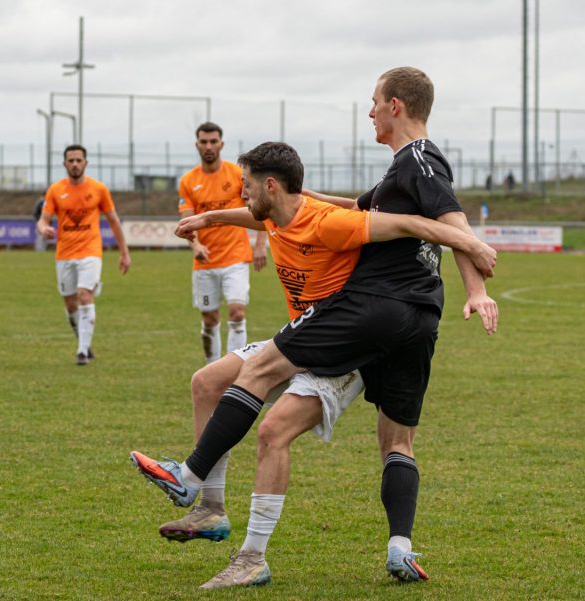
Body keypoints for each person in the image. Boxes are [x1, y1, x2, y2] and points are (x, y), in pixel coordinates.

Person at [132, 67, 498, 587]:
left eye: (373, 101)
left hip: (367, 312)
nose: (368, 110)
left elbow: (448, 223)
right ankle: (398, 547)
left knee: (267, 402)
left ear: (395, 105)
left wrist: (478, 286)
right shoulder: (385, 180)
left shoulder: (417, 157)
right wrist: (215, 218)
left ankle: (196, 487)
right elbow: (345, 208)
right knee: (393, 438)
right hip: (416, 317)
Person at [178, 122, 267, 364]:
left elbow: (260, 208)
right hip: (205, 263)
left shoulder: (236, 176)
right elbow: (187, 221)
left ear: (221, 144)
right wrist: (195, 246)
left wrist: (260, 244)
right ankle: (212, 367)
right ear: (197, 145)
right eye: (204, 142)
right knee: (209, 319)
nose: (209, 146)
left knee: (237, 313)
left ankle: (233, 370)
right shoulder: (188, 181)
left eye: (213, 141)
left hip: (236, 258)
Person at [37, 144, 130, 365]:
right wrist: (43, 229)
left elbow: (114, 221)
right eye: (71, 161)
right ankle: (84, 342)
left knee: (84, 295)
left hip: (90, 252)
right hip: (64, 254)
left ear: (86, 163)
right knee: (70, 304)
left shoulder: (99, 189)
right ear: (65, 164)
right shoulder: (55, 190)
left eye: (79, 160)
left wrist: (124, 252)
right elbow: (43, 220)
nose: (75, 164)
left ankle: (82, 352)